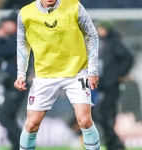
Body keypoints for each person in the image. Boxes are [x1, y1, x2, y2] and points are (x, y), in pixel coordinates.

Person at [14, 0, 101, 150]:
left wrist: (92, 71)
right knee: (31, 124)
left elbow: (92, 36)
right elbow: (22, 43)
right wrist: (21, 74)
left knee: (84, 119)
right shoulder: (25, 14)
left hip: (76, 73)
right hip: (44, 75)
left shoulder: (74, 6)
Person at [93, 20, 134, 150]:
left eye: (100, 28)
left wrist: (120, 74)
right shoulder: (102, 42)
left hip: (111, 85)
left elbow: (129, 57)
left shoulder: (114, 42)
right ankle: (112, 143)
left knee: (103, 114)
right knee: (104, 115)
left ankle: (116, 143)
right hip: (103, 84)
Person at [0, 13, 28, 150]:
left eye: (6, 23)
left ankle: (23, 146)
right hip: (12, 83)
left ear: (14, 23)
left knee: (4, 116)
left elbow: (1, 51)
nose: (4, 26)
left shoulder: (20, 37)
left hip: (18, 84)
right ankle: (17, 146)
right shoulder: (13, 38)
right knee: (9, 117)